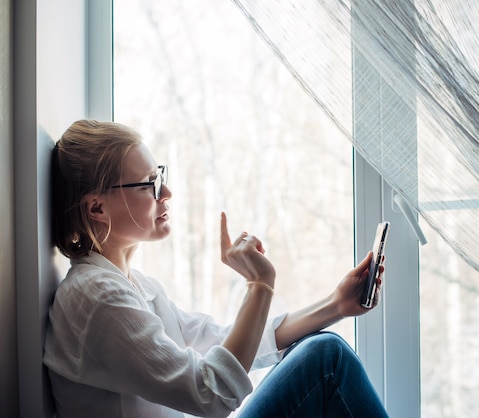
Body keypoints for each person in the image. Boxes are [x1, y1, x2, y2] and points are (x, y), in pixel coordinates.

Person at [44, 119, 389, 418]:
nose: (166, 192)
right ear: (97, 209)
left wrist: (335, 305)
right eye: (148, 183)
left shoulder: (135, 287)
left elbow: (224, 343)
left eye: (159, 175)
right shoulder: (95, 298)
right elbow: (212, 394)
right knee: (326, 358)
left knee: (322, 348)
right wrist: (259, 285)